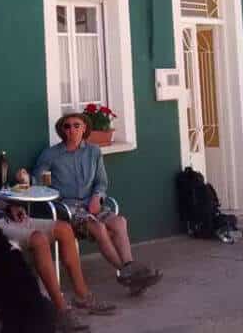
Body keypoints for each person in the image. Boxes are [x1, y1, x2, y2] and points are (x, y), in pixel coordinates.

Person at [0, 128, 115, 333]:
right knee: (38, 239)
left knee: (63, 229)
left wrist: (9, 207)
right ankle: (61, 310)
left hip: (4, 220)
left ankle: (82, 296)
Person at [32, 113, 162, 294]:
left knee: (119, 222)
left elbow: (101, 181)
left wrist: (98, 196)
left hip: (91, 203)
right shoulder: (51, 154)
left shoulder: (93, 152)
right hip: (68, 208)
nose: (72, 130)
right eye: (67, 126)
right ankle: (130, 273)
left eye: (77, 126)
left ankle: (130, 271)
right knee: (99, 228)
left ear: (84, 128)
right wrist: (28, 179)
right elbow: (38, 181)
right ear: (62, 131)